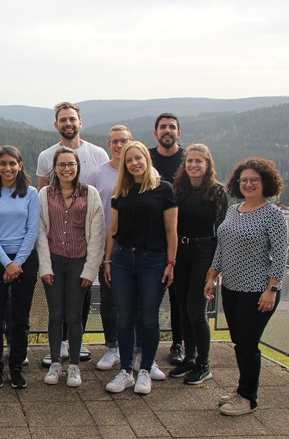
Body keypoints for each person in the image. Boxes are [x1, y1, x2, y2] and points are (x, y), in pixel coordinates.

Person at [205, 158, 287, 416]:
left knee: (248, 345)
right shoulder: (234, 210)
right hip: (231, 287)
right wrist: (212, 276)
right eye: (244, 180)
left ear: (265, 183)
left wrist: (271, 289)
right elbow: (222, 245)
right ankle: (241, 390)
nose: (248, 184)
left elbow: (281, 254)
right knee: (239, 342)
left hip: (258, 291)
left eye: (254, 180)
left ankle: (248, 399)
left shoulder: (273, 214)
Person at [86, 126, 165, 380]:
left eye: (124, 141)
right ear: (109, 144)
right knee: (112, 304)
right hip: (112, 249)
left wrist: (170, 260)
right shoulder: (99, 175)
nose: (120, 146)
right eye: (115, 142)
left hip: (148, 254)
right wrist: (101, 253)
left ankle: (143, 356)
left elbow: (167, 224)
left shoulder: (154, 177)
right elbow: (96, 216)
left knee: (145, 309)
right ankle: (114, 349)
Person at [36, 102, 109, 366]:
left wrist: (95, 258)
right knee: (57, 311)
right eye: (63, 120)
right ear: (56, 125)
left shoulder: (98, 153)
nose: (68, 123)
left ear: (80, 122)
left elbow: (100, 197)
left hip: (84, 243)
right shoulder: (46, 157)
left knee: (80, 305)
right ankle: (60, 348)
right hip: (56, 251)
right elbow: (42, 206)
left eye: (72, 119)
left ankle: (76, 350)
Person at [103, 141, 178, 396]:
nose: (135, 163)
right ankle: (125, 371)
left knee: (148, 317)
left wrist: (171, 263)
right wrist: (108, 260)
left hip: (153, 261)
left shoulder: (164, 189)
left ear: (147, 159)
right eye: (129, 160)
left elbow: (171, 231)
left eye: (138, 158)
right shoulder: (120, 191)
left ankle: (144, 369)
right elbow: (113, 231)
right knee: (124, 318)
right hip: (123, 260)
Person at [168, 144, 228, 385]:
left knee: (196, 310)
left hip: (205, 251)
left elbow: (222, 231)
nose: (193, 165)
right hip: (180, 251)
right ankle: (190, 357)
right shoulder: (178, 189)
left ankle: (204, 364)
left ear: (207, 164)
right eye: (189, 161)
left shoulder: (216, 192)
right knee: (182, 307)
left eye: (198, 161)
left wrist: (215, 270)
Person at [0, 146, 39, 388]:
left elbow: (32, 230)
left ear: (20, 165)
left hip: (24, 259)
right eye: (3, 163)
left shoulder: (32, 193)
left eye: (12, 163)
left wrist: (17, 263)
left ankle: (15, 366)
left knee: (20, 318)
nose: (7, 168)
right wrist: (7, 262)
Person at [149, 112, 186, 365]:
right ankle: (142, 344)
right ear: (155, 133)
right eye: (163, 127)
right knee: (147, 296)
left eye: (172, 127)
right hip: (150, 237)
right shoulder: (146, 158)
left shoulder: (188, 160)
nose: (167, 131)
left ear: (178, 133)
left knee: (179, 297)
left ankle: (179, 343)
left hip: (180, 236)